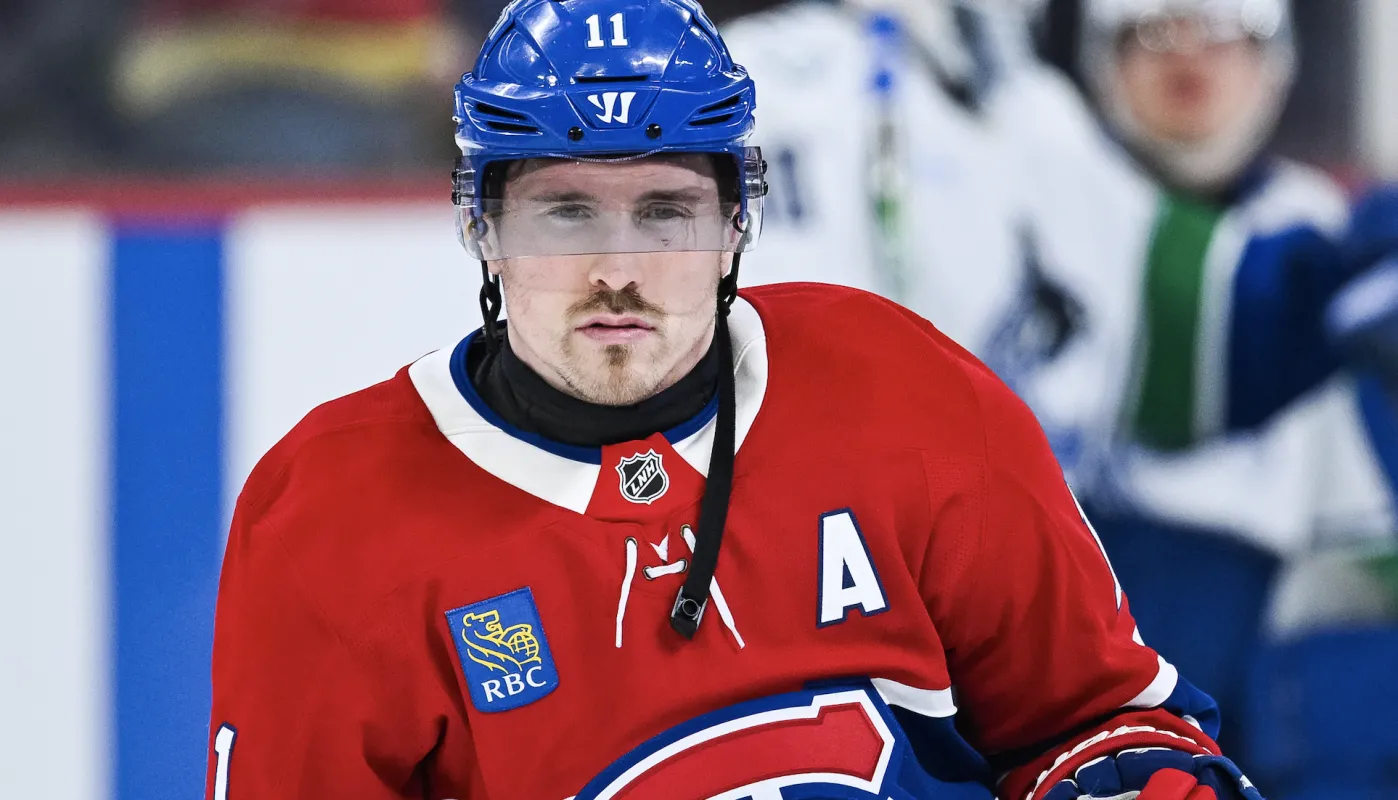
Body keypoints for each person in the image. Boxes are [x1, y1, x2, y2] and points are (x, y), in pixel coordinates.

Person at [205, 1, 1267, 798]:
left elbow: (1098, 720)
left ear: (735, 224)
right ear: (481, 226)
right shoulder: (331, 516)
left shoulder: (904, 395)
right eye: (565, 213)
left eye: (665, 211)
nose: (616, 267)